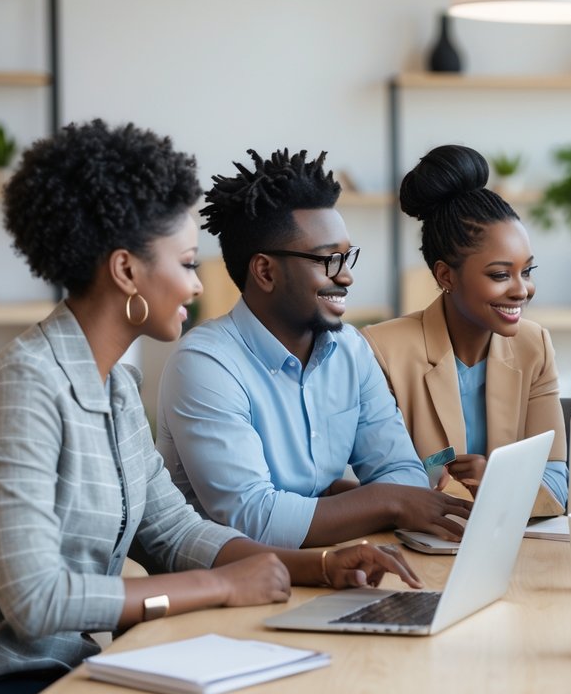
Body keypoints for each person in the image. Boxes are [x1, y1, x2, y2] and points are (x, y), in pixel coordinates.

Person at [0, 121, 421, 694]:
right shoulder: (25, 388)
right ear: (126, 270)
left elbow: (171, 530)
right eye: (185, 264)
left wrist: (318, 566)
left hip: (63, 671)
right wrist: (219, 585)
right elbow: (36, 599)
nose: (199, 285)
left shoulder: (115, 386)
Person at [157, 148, 472, 549]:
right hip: (222, 587)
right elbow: (254, 520)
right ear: (265, 271)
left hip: (327, 565)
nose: (347, 276)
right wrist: (381, 500)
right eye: (328, 260)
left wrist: (362, 499)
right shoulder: (205, 365)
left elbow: (402, 473)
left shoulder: (350, 350)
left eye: (346, 257)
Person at [361, 144, 567, 517]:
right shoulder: (381, 350)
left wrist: (497, 480)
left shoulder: (533, 345)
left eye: (527, 271)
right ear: (446, 275)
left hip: (513, 539)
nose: (521, 290)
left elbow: (555, 473)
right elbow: (382, 481)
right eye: (500, 275)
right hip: (417, 543)